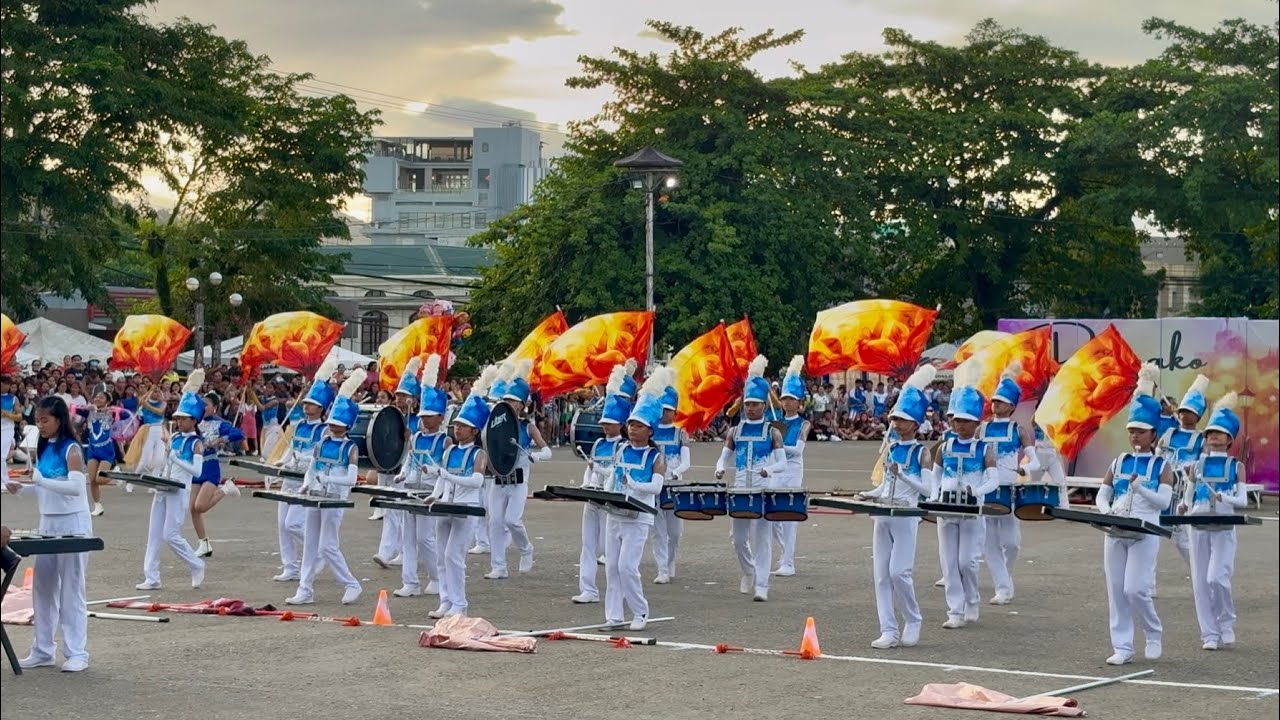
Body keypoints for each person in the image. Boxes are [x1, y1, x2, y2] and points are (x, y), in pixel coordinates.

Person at [4, 396, 92, 672]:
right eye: (37, 420)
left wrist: (41, 480)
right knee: (43, 588)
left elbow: (76, 489)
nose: (40, 425)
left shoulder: (72, 449)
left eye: (45, 420)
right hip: (49, 523)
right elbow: (47, 487)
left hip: (73, 525)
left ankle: (77, 652)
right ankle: (43, 649)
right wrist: (23, 488)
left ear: (58, 419)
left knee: (71, 589)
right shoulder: (44, 448)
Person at [1096, 363, 1173, 665]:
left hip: (1145, 533)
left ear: (1153, 433)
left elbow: (1163, 503)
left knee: (1135, 590)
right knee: (1116, 591)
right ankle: (1123, 647)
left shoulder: (1161, 466)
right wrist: (1105, 511)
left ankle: (1153, 632)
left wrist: (1140, 488)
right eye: (1131, 431)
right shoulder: (1119, 461)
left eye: (1141, 431)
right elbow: (1104, 491)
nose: (1135, 436)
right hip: (1115, 531)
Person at [856, 365, 937, 648]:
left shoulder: (922, 452)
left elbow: (928, 490)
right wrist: (869, 494)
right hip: (883, 514)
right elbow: (884, 486)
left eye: (903, 420)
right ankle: (888, 629)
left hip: (906, 515)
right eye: (895, 419)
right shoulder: (891, 448)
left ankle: (913, 619)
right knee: (880, 575)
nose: (898, 424)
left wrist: (903, 475)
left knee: (899, 572)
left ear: (915, 424)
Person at [287, 369, 367, 606]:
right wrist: (306, 485)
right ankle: (305, 589)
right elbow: (312, 467)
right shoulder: (322, 442)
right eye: (332, 423)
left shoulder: (350, 448)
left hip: (334, 501)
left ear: (347, 427)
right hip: (315, 497)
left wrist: (328, 481)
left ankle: (351, 583)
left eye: (338, 424)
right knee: (310, 544)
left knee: (327, 546)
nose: (333, 427)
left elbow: (351, 480)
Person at [930, 360, 998, 629]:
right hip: (947, 509)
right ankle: (954, 611)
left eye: (966, 421)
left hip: (971, 511)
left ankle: (972, 600)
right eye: (956, 420)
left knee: (967, 561)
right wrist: (936, 495)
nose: (960, 425)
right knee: (949, 563)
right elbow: (935, 474)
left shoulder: (984, 449)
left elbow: (992, 479)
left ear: (975, 422)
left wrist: (976, 491)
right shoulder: (944, 446)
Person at [715, 356, 787, 602]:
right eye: (748, 404)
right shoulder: (735, 431)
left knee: (762, 538)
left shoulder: (772, 431)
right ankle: (749, 572)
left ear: (764, 406)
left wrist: (769, 471)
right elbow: (724, 456)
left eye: (756, 404)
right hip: (740, 488)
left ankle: (763, 585)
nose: (751, 408)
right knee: (737, 538)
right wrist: (720, 468)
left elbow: (782, 462)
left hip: (763, 488)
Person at [604, 368, 669, 630]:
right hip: (615, 514)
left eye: (638, 425)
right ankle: (614, 615)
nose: (632, 429)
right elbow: (613, 477)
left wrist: (635, 485)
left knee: (626, 567)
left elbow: (656, 487)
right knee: (611, 568)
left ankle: (640, 612)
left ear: (650, 430)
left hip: (638, 518)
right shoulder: (620, 449)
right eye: (631, 424)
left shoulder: (655, 457)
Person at [1180, 393, 1246, 651]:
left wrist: (1225, 497)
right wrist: (1184, 505)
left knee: (1216, 578)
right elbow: (1188, 495)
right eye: (1210, 433)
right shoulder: (1196, 466)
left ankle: (1226, 622)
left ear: (1229, 439)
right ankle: (1208, 633)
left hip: (1224, 526)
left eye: (1219, 433)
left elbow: (1242, 499)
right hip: (1197, 524)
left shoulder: (1235, 466)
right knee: (1199, 581)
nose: (1213, 437)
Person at [427, 378, 493, 618]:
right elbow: (441, 480)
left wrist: (446, 476)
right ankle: (445, 600)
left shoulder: (479, 453)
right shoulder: (449, 450)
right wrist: (434, 495)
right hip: (445, 507)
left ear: (474, 431)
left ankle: (460, 604)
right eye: (456, 425)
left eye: (463, 426)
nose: (457, 429)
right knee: (440, 556)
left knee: (454, 556)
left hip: (467, 509)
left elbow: (476, 481)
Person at [135, 371, 206, 591]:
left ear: (193, 420)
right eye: (177, 418)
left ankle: (196, 564)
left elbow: (196, 471)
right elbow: (168, 462)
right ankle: (152, 576)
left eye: (183, 418)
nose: (178, 421)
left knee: (170, 534)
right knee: (153, 533)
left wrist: (176, 459)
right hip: (164, 486)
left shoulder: (196, 444)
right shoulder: (174, 437)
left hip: (180, 489)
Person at [485, 359, 551, 579]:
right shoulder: (495, 425)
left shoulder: (528, 427)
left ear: (522, 405)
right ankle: (499, 566)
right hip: (498, 479)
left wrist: (534, 456)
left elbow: (547, 451)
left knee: (512, 520)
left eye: (514, 401)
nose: (509, 404)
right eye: (507, 400)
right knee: (495, 522)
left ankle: (526, 549)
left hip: (518, 480)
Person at [979, 363, 1038, 605]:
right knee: (989, 542)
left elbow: (1034, 461)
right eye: (994, 401)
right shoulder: (981, 428)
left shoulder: (1019, 429)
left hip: (1009, 490)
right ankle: (1002, 587)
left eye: (1001, 402)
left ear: (1012, 406)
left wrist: (1024, 467)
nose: (996, 405)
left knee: (1011, 544)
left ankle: (1006, 577)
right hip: (986, 488)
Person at [274, 358, 337, 582]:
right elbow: (293, 448)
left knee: (293, 524)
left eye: (311, 404)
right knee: (282, 525)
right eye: (306, 403)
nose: (306, 406)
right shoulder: (299, 424)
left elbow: (317, 456)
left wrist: (298, 459)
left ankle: (318, 551)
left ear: (321, 408)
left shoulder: (325, 431)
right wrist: (282, 461)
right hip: (289, 477)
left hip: (307, 480)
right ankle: (290, 566)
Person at [393, 355, 449, 598]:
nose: (424, 420)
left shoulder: (445, 440)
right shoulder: (415, 437)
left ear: (440, 417)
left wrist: (433, 474)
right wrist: (402, 474)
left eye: (430, 416)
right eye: (423, 415)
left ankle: (437, 577)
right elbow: (409, 460)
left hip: (429, 493)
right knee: (407, 537)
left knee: (425, 537)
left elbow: (446, 471)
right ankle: (410, 582)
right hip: (411, 489)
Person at [574, 367, 631, 603]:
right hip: (593, 497)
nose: (606, 426)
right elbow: (591, 467)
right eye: (604, 422)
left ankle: (615, 591)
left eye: (611, 423)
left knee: (609, 549)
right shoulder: (598, 443)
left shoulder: (625, 447)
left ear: (621, 424)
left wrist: (599, 471)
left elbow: (617, 473)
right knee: (587, 544)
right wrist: (587, 484)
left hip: (611, 501)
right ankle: (588, 589)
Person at [373, 358, 420, 564]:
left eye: (405, 395)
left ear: (414, 399)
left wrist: (411, 439)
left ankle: (401, 552)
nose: (400, 398)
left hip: (407, 471)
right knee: (390, 511)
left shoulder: (419, 420)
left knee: (401, 513)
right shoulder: (388, 416)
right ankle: (387, 552)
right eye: (399, 395)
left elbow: (420, 451)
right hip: (389, 468)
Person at [1158, 375, 1208, 565]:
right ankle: (1148, 584)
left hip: (1186, 491)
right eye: (1183, 411)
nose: (1185, 414)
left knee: (1183, 538)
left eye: (1190, 412)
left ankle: (1198, 575)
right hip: (1164, 487)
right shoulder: (1169, 433)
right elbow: (1158, 455)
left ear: (1198, 416)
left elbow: (1202, 464)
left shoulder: (1201, 439)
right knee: (1152, 535)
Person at [190, 391, 244, 557]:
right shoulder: (193, 422)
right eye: (201, 404)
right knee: (192, 509)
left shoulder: (219, 423)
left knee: (200, 506)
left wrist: (221, 440)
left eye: (206, 404)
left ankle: (226, 489)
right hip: (195, 468)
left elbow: (239, 434)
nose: (203, 407)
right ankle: (203, 543)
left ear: (214, 407)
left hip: (210, 467)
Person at [772, 356, 810, 578]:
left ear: (799, 402)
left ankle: (789, 562)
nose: (787, 403)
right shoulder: (776, 422)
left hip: (793, 471)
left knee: (789, 520)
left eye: (791, 399)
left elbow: (798, 450)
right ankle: (783, 556)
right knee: (774, 518)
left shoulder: (803, 423)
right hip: (777, 470)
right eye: (784, 399)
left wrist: (779, 445)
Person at [651, 383, 689, 584]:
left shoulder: (680, 433)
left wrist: (676, 472)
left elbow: (686, 462)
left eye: (669, 410)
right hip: (656, 485)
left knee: (674, 532)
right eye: (662, 409)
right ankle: (662, 568)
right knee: (658, 530)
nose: (665, 413)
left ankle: (670, 560)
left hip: (675, 486)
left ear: (675, 411)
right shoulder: (651, 431)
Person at [75, 390, 132, 517]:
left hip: (106, 448)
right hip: (93, 448)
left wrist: (113, 409)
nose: (97, 399)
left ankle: (116, 474)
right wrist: (85, 407)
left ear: (107, 401)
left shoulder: (111, 412)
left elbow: (126, 415)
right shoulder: (90, 411)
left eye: (101, 397)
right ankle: (97, 505)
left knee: (99, 478)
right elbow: (73, 409)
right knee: (92, 479)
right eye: (96, 397)